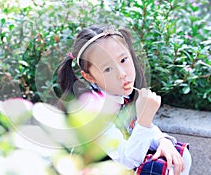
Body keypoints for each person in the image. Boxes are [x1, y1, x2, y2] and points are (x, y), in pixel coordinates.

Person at [57, 25, 192, 175]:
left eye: (123, 60)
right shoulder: (95, 110)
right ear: (89, 76)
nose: (121, 74)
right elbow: (127, 160)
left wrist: (163, 141)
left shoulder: (122, 95)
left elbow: (142, 130)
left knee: (178, 156)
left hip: (128, 158)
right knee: (160, 170)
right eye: (108, 69)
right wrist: (144, 119)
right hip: (105, 168)